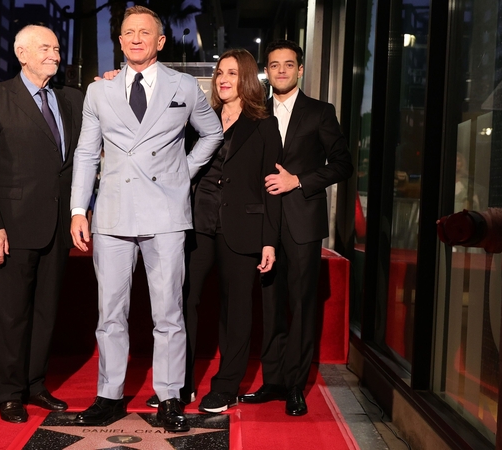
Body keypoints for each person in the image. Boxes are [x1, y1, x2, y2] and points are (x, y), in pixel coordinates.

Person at [69, 5, 223, 433]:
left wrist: (183, 172)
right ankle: (109, 396)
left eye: (145, 33)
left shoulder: (185, 86)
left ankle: (170, 397)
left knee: (168, 313)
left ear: (160, 42)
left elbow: (212, 133)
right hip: (113, 213)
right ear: (120, 42)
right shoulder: (99, 91)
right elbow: (85, 152)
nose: (136, 38)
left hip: (167, 214)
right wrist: (79, 209)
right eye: (128, 32)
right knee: (110, 313)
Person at [0, 24, 83, 424]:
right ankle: (8, 393)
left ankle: (35, 385)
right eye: (46, 48)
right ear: (21, 53)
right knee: (10, 313)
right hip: (11, 228)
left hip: (57, 227)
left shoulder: (71, 99)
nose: (55, 54)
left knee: (45, 312)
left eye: (56, 47)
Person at [240, 40, 353, 416]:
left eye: (289, 65)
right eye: (274, 65)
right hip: (264, 224)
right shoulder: (255, 113)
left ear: (300, 69)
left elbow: (342, 164)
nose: (282, 71)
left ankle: (294, 386)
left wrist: (299, 181)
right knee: (270, 304)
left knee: (301, 305)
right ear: (267, 72)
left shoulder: (321, 112)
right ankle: (272, 381)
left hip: (303, 222)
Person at [180, 48, 281, 414]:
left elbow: (272, 184)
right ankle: (181, 383)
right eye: (220, 72)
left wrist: (270, 239)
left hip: (244, 225)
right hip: (197, 220)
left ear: (248, 79)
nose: (223, 79)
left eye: (233, 73)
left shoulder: (264, 123)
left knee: (235, 309)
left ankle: (225, 386)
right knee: (184, 300)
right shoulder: (199, 118)